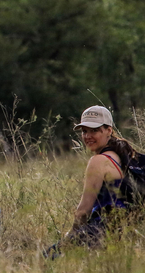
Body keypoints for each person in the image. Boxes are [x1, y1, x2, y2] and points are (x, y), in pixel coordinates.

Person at [60, 105, 139, 248]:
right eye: (84, 131)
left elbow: (83, 211)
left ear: (109, 130)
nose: (87, 136)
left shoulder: (98, 161)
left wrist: (70, 237)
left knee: (47, 259)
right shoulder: (122, 156)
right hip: (125, 233)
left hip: (101, 233)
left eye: (95, 130)